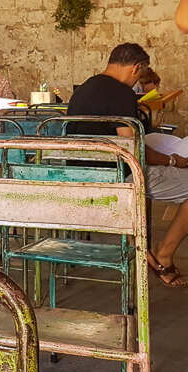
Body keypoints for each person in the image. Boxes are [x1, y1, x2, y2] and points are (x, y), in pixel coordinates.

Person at [67, 43, 188, 287]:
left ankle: (146, 248)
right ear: (136, 68)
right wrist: (174, 160)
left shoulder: (83, 89)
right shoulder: (122, 93)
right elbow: (134, 149)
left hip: (79, 174)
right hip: (116, 179)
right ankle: (162, 254)